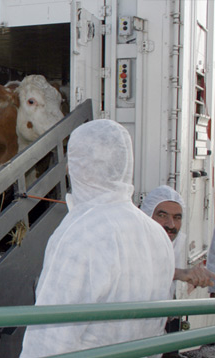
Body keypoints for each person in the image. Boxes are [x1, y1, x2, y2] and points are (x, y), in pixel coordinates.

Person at [20, 119, 174, 357]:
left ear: (81, 166)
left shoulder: (82, 232)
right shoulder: (157, 234)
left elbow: (49, 336)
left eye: (73, 161)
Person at [140, 185, 215, 292]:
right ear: (147, 215)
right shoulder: (132, 245)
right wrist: (180, 273)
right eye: (162, 215)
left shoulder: (172, 247)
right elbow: (135, 273)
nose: (171, 225)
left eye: (177, 218)